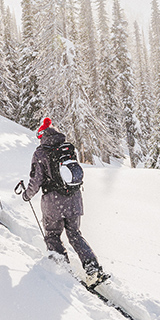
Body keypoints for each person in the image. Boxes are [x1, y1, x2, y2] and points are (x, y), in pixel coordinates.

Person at [21, 118, 108, 286]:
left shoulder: (41, 152)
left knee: (52, 235)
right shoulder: (67, 148)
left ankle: (63, 271)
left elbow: (36, 181)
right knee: (75, 234)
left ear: (42, 135)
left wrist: (26, 195)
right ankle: (93, 269)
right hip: (74, 199)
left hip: (53, 203)